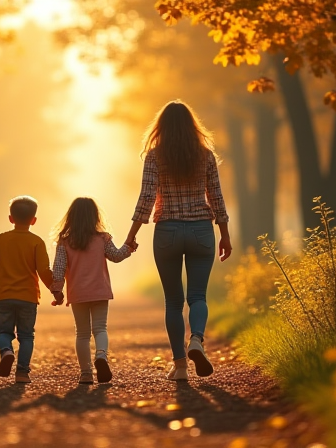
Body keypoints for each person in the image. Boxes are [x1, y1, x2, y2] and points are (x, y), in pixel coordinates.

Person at [124, 100, 232, 381]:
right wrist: (225, 235)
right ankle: (197, 339)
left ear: (161, 127)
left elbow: (146, 199)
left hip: (168, 232)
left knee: (173, 301)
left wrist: (131, 235)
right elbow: (216, 197)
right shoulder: (206, 155)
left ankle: (181, 366)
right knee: (198, 296)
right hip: (201, 231)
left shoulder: (154, 157)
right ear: (191, 125)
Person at [0, 196, 54, 383]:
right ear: (34, 220)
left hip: (5, 297)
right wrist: (56, 290)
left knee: (4, 332)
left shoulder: (2, 239)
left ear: (11, 218)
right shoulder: (37, 242)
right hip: (28, 298)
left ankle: (6, 351)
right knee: (26, 336)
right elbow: (44, 271)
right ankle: (22, 373)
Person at [50, 197, 134, 385]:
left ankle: (86, 373)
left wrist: (57, 290)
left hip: (78, 293)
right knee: (100, 328)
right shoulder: (102, 238)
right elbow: (116, 256)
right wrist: (129, 247)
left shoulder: (64, 242)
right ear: (95, 216)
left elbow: (59, 268)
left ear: (71, 217)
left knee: (82, 334)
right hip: (100, 291)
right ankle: (101, 356)